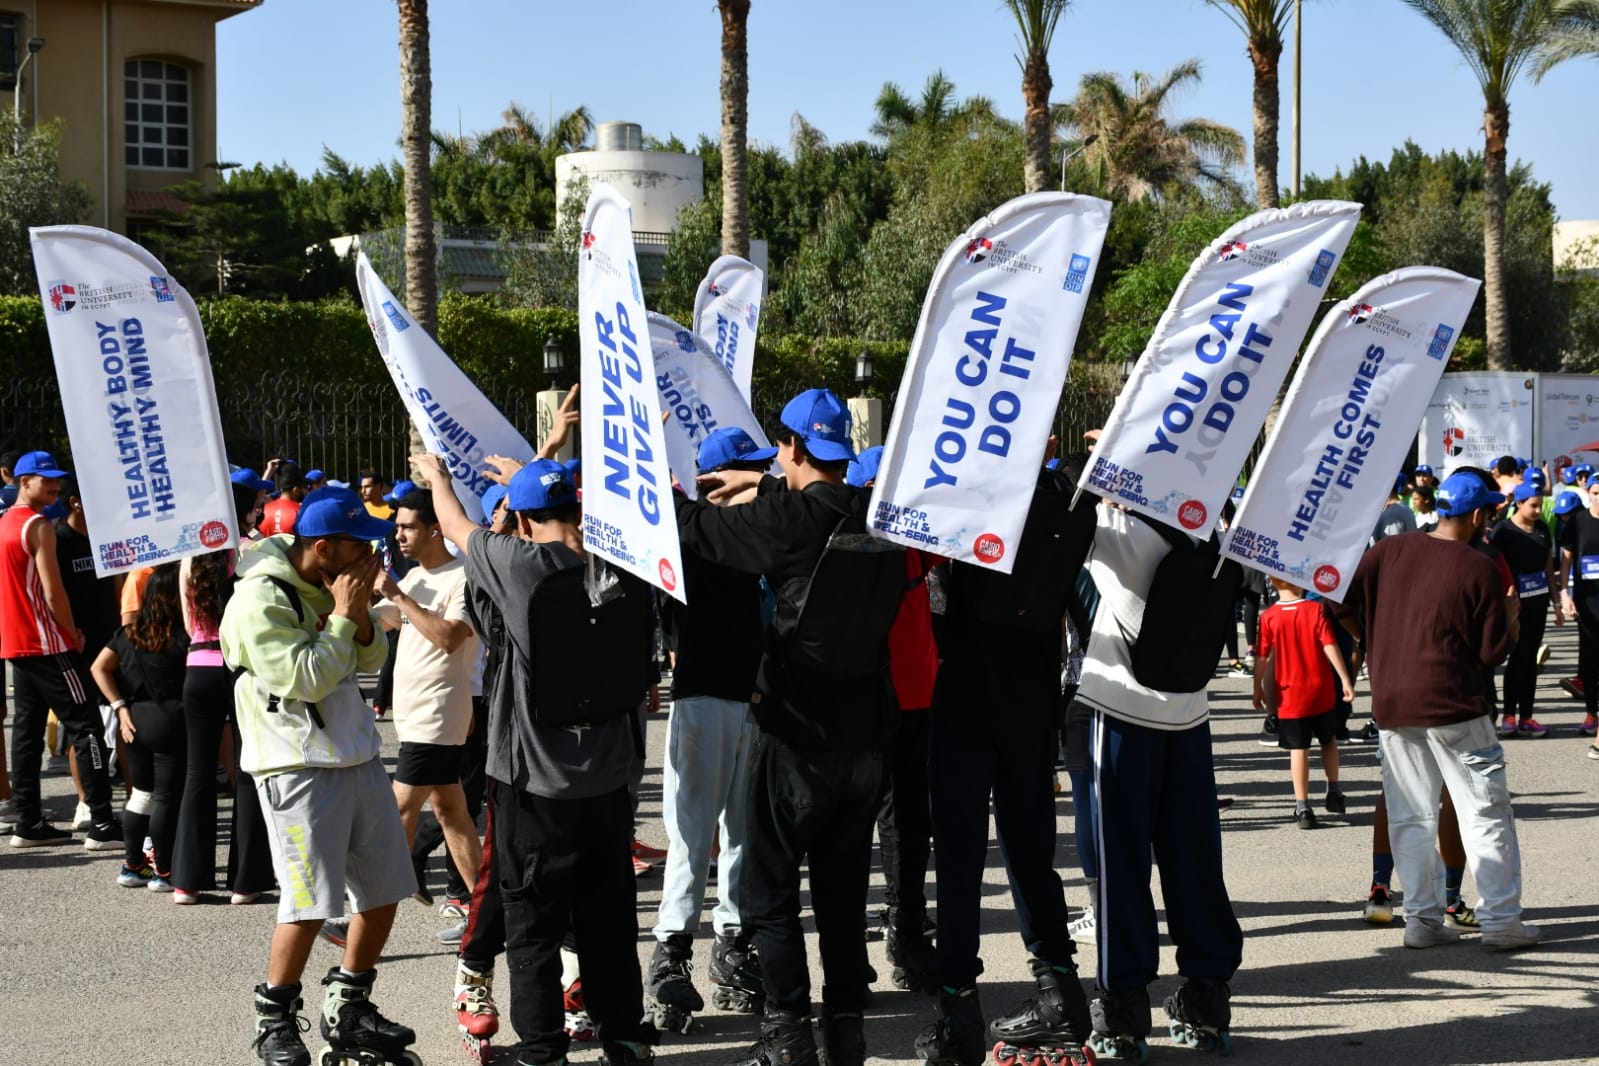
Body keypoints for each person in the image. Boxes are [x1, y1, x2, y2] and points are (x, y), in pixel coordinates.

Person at [673, 388, 903, 1066]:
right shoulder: (879, 517)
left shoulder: (788, 519)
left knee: (768, 892)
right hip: (864, 739)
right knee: (841, 896)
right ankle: (846, 1032)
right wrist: (763, 483)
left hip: (795, 736)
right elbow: (822, 507)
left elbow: (694, 528)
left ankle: (787, 1034)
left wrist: (653, 471)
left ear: (793, 447)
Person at [412, 451, 658, 1066]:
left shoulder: (520, 564)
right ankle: (625, 1036)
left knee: (533, 923)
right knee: (608, 919)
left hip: (535, 778)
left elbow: (455, 525)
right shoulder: (620, 560)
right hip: (609, 777)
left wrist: (440, 478)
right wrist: (532, 472)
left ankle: (544, 1049)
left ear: (522, 522)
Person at [221, 485, 419, 1066]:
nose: (372, 557)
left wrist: (354, 621)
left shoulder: (337, 585)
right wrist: (345, 618)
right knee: (308, 902)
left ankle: (349, 1002)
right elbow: (303, 679)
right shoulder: (260, 597)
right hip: (295, 762)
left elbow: (369, 659)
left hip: (355, 753)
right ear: (326, 548)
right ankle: (275, 1018)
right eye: (361, 546)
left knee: (386, 888)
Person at [915, 456, 1098, 1066]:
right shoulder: (1062, 500)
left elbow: (935, 605)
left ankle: (958, 1011)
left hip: (964, 701)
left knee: (961, 861)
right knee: (1031, 853)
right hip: (1031, 701)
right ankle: (1060, 991)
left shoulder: (964, 495)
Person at [1337, 472, 1539, 952]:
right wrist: (1512, 620)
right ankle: (1501, 921)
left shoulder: (1388, 551)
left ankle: (1422, 921)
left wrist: (1372, 642)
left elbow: (1337, 600)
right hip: (1455, 704)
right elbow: (1491, 653)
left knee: (1411, 815)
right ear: (1477, 515)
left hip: (1393, 702)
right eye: (1488, 513)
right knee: (1484, 812)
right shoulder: (1479, 567)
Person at [1075, 495, 1244, 1060]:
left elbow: (1061, 518)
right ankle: (1207, 993)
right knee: (1196, 859)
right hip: (1189, 712)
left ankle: (1122, 1007)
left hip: (1123, 710)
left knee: (1120, 863)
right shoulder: (1209, 534)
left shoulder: (1121, 528)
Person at [647, 428, 773, 1033]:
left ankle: (734, 943)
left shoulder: (759, 528)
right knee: (693, 833)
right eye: (747, 470)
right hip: (703, 697)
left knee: (745, 832)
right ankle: (671, 952)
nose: (758, 479)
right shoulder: (690, 530)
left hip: (756, 699)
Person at [371, 489, 483, 910]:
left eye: (408, 527)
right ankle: (485, 911)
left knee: (398, 811)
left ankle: (366, 912)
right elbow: (378, 623)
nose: (398, 535)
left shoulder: (464, 577)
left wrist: (399, 597)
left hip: (439, 714)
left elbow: (451, 638)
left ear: (435, 529)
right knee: (451, 812)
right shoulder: (415, 577)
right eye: (396, 527)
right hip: (415, 717)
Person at [2, 451, 120, 850]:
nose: (53, 486)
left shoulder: (5, 522)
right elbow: (53, 593)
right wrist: (72, 634)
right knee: (87, 726)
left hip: (17, 642)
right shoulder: (38, 526)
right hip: (47, 641)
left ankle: (28, 821)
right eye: (45, 480)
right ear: (24, 481)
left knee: (27, 732)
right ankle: (101, 821)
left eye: (56, 480)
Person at [172, 481, 276, 905]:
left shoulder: (190, 555)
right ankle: (245, 881)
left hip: (197, 665)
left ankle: (187, 881)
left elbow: (186, 622)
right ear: (246, 512)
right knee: (246, 769)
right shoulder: (254, 553)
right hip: (239, 668)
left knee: (198, 772)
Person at [89, 562, 187, 891]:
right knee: (166, 798)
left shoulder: (128, 634)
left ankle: (133, 865)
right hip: (170, 719)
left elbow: (98, 668)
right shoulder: (182, 636)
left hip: (134, 721)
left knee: (141, 795)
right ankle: (164, 871)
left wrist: (119, 706)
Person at [1253, 576, 1354, 828]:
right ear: (1300, 582)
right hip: (1321, 691)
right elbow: (1329, 644)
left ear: (1272, 582)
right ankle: (1334, 790)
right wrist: (1345, 678)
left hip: (1290, 696)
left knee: (1299, 749)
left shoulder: (1269, 617)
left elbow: (1262, 658)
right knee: (1328, 741)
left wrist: (1257, 689)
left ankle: (1303, 806)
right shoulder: (1316, 610)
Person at [1493, 483, 1561, 739]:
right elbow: (1496, 570)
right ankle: (1509, 716)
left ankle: (1527, 717)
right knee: (1516, 657)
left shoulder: (1542, 529)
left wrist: (1556, 602)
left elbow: (1548, 569)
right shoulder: (1503, 531)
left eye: (1540, 505)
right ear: (1519, 503)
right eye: (1533, 505)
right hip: (1514, 605)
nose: (1538, 510)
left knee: (1531, 659)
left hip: (1538, 603)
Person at [260, 463, 309, 537]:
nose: (307, 491)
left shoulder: (263, 511)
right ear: (296, 490)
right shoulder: (302, 513)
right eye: (305, 488)